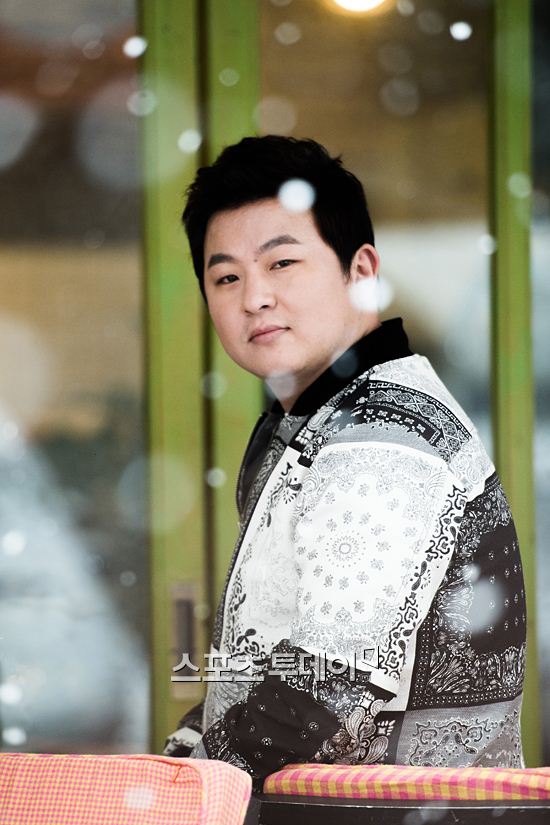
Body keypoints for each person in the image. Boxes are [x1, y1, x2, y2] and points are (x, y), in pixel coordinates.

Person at [163, 136, 526, 785]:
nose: (254, 298)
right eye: (227, 277)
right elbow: (268, 669)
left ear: (362, 271)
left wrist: (182, 790)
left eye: (282, 264)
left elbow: (327, 688)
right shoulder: (316, 421)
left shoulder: (385, 433)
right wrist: (188, 747)